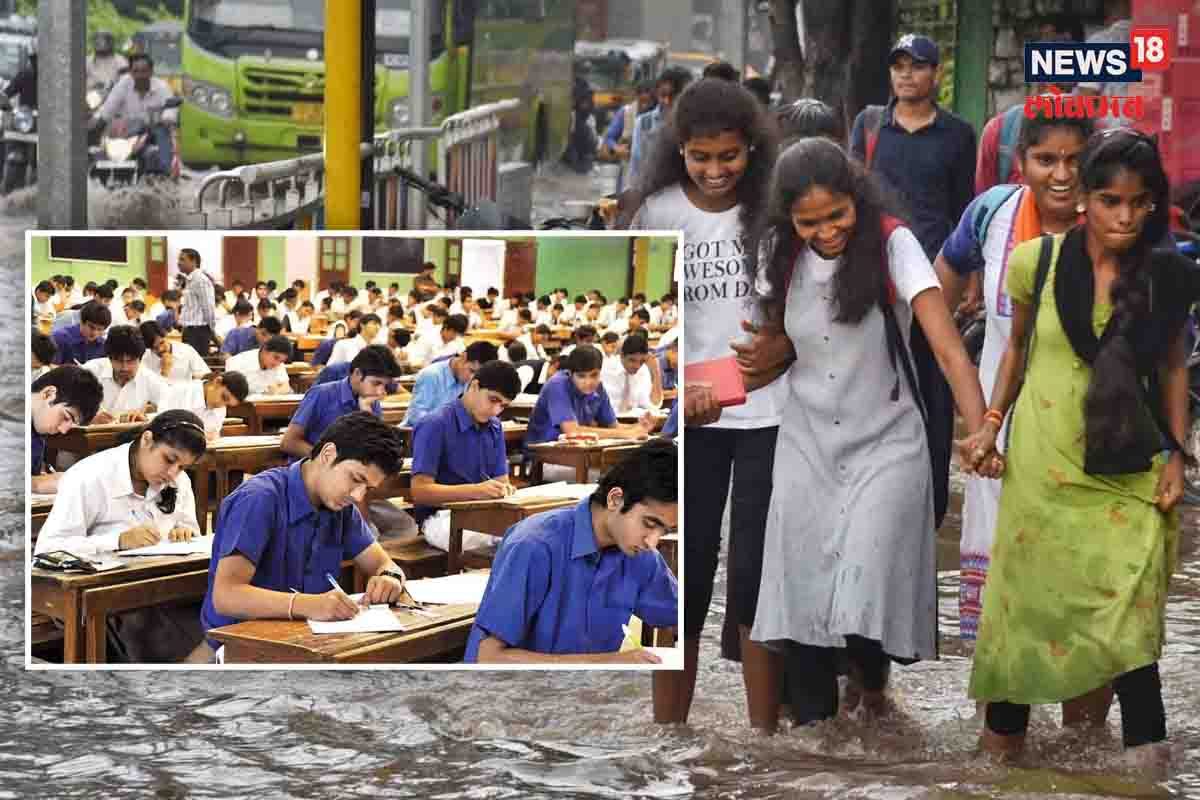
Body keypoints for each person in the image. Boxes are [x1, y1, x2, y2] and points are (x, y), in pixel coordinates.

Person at [743, 138, 989, 732]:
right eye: (810, 221)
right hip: (805, 442)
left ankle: (873, 693)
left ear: (858, 199)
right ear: (788, 219)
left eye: (837, 215)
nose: (826, 231)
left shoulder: (893, 242)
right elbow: (767, 346)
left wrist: (983, 432)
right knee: (802, 596)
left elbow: (949, 349)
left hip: (887, 442)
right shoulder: (777, 251)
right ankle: (818, 742)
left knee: (863, 589)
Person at [963, 128, 1191, 767]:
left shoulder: (1169, 274)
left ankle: (1146, 770)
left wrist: (1177, 454)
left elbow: (1174, 367)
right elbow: (1017, 350)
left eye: (1140, 203)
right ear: (1085, 198)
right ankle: (997, 763)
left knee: (1131, 615)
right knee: (1024, 610)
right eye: (1112, 200)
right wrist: (989, 421)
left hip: (1130, 465)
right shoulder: (1036, 260)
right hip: (1043, 461)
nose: (1126, 216)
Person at [625, 77, 783, 726]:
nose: (716, 171)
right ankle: (669, 734)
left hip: (771, 415)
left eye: (730, 156)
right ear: (679, 150)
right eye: (701, 157)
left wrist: (783, 351)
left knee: (755, 581)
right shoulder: (657, 214)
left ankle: (765, 738)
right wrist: (678, 386)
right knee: (683, 574)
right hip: (693, 423)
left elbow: (803, 306)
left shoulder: (776, 209)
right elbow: (642, 318)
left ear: (751, 148)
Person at [198, 412, 411, 663]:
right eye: (356, 479)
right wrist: (310, 605)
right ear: (328, 454)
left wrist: (390, 577)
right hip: (236, 645)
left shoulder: (340, 508)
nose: (358, 495)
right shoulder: (259, 499)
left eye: (368, 489)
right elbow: (226, 596)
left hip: (302, 639)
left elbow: (383, 563)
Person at [465, 438, 678, 664]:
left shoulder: (641, 555)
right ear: (616, 499)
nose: (652, 542)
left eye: (663, 531)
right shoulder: (533, 546)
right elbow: (486, 657)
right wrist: (607, 662)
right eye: (649, 524)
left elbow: (680, 616)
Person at [35, 410, 209, 662]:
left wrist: (186, 533)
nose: (173, 473)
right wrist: (117, 541)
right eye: (169, 459)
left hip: (164, 586)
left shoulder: (177, 481)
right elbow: (49, 549)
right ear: (147, 440)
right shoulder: (88, 477)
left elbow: (189, 529)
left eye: (183, 467)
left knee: (212, 615)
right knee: (154, 630)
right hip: (106, 595)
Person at [410, 360, 522, 553]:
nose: (496, 411)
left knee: (528, 534)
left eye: (503, 406)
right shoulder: (435, 424)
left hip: (482, 514)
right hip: (440, 520)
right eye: (493, 400)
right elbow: (420, 491)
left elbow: (501, 482)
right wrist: (477, 491)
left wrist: (503, 490)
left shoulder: (495, 427)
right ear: (475, 385)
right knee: (511, 541)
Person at [281, 345, 401, 460]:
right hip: (311, 471)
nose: (380, 392)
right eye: (376, 383)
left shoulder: (371, 404)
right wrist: (330, 462)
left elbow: (373, 452)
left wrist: (366, 413)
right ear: (357, 374)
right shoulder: (321, 394)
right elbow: (289, 442)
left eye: (384, 385)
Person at [524, 345, 653, 446]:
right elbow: (572, 431)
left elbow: (614, 426)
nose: (588, 382)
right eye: (581, 376)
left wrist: (638, 427)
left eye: (594, 375)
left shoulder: (599, 388)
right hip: (543, 458)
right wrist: (627, 434)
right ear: (570, 373)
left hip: (578, 453)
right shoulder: (557, 385)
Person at [90, 53, 178, 175]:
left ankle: (166, 173)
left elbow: (171, 109)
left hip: (153, 130)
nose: (140, 75)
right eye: (136, 71)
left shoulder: (162, 87)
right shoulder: (123, 85)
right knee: (99, 147)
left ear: (151, 72)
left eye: (144, 71)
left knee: (162, 136)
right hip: (126, 131)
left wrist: (166, 118)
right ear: (130, 72)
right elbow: (108, 109)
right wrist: (94, 125)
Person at [30, 366, 103, 494]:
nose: (63, 430)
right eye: (66, 416)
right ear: (48, 394)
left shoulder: (38, 431)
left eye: (71, 423)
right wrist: (34, 483)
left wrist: (44, 477)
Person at [83, 325, 171, 424]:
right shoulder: (90, 371)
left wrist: (145, 417)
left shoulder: (149, 378)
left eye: (131, 361)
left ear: (140, 359)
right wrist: (89, 418)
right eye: (119, 361)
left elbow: (170, 409)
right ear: (110, 358)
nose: (125, 367)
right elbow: (66, 405)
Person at [402, 341, 499, 427]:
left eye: (476, 375)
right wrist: (447, 428)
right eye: (471, 370)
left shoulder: (470, 381)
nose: (471, 378)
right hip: (416, 436)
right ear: (463, 357)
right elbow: (415, 416)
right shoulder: (432, 375)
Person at [627, 67, 694, 188]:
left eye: (673, 96)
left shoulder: (693, 124)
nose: (667, 101)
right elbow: (636, 166)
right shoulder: (644, 123)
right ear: (657, 93)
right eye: (663, 95)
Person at [601, 333, 663, 414]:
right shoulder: (606, 369)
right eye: (632, 360)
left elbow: (654, 405)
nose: (637, 366)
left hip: (634, 421)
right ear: (622, 355)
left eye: (642, 361)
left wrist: (655, 372)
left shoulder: (643, 370)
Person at [139, 321, 210, 386]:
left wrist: (199, 379)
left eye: (162, 342)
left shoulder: (186, 350)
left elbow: (204, 374)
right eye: (155, 348)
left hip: (185, 397)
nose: (160, 349)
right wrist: (164, 372)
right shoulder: (146, 359)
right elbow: (147, 390)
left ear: (166, 335)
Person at [176, 248, 217, 356]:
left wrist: (210, 328)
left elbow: (208, 307)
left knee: (197, 367)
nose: (178, 263)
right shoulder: (190, 280)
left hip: (198, 331)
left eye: (182, 259)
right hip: (190, 331)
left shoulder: (200, 280)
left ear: (194, 261)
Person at [223, 334, 292, 395]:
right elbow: (229, 392)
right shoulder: (238, 362)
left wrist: (276, 392)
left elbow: (286, 386)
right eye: (276, 357)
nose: (277, 364)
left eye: (281, 361)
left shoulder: (279, 364)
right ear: (265, 350)